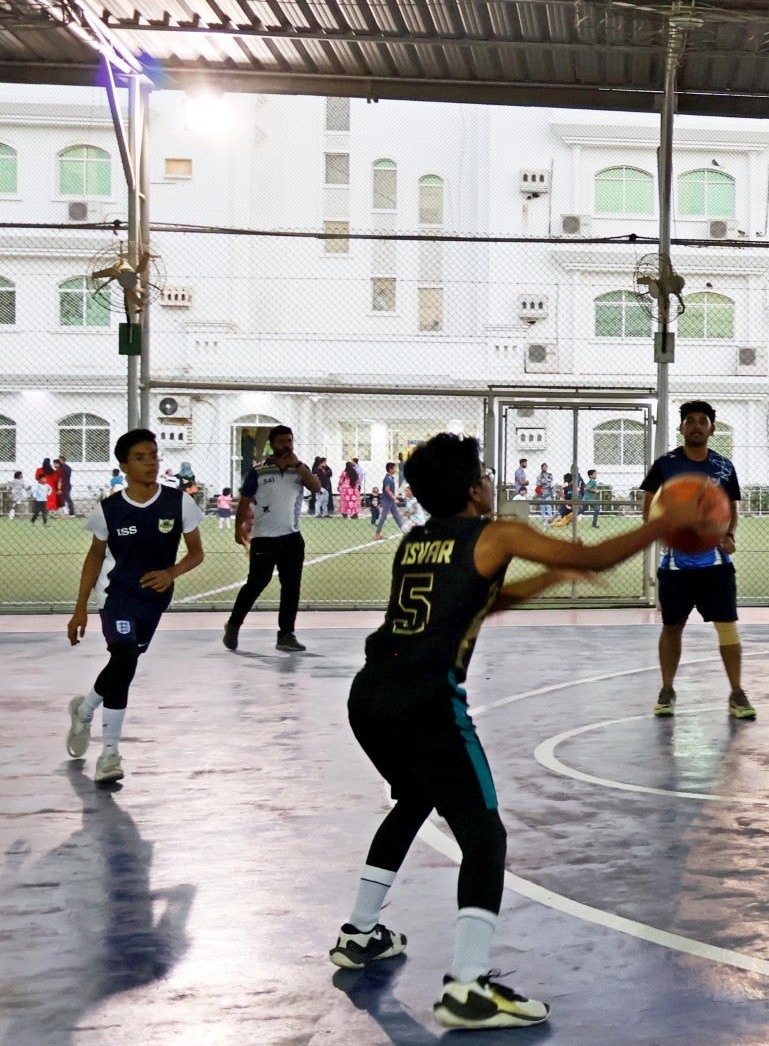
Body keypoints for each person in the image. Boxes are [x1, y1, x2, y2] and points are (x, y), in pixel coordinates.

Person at [326, 432, 714, 1029]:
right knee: (485, 838)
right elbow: (594, 557)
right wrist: (666, 523)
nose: (490, 481)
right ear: (473, 490)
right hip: (427, 704)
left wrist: (549, 579)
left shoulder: (415, 541)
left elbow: (483, 599)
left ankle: (359, 932)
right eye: (483, 474)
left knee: (416, 800)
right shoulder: (496, 533)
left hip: (371, 695)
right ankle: (467, 987)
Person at [63, 429, 205, 784]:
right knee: (125, 657)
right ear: (124, 466)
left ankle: (84, 710)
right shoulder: (109, 510)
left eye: (153, 455)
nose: (150, 463)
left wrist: (172, 573)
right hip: (116, 597)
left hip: (152, 602)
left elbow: (196, 553)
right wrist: (80, 609)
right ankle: (109, 754)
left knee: (122, 663)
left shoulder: (179, 503)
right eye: (140, 458)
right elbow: (94, 558)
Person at [639, 400, 755, 721]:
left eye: (703, 421)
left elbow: (730, 509)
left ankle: (736, 692)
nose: (696, 426)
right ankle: (667, 689)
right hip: (676, 564)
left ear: (711, 429)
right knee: (672, 627)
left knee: (727, 626)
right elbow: (648, 509)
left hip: (715, 564)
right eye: (690, 420)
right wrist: (667, 531)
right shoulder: (665, 465)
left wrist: (729, 535)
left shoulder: (723, 466)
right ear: (681, 427)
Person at [224, 424, 322, 654]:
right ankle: (234, 624)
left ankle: (286, 635)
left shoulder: (300, 470)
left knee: (291, 587)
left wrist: (299, 465)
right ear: (272, 444)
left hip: (292, 537)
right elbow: (245, 501)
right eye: (281, 441)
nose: (286, 445)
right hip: (264, 538)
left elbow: (316, 487)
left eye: (290, 441)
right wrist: (239, 528)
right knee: (256, 583)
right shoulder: (259, 471)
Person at [371, 462, 401, 538]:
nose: (395, 470)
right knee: (383, 517)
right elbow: (387, 489)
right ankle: (377, 534)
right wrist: (394, 497)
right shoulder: (388, 478)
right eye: (394, 468)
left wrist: (393, 498)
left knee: (396, 516)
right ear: (390, 469)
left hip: (390, 500)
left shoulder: (390, 478)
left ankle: (405, 531)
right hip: (387, 500)